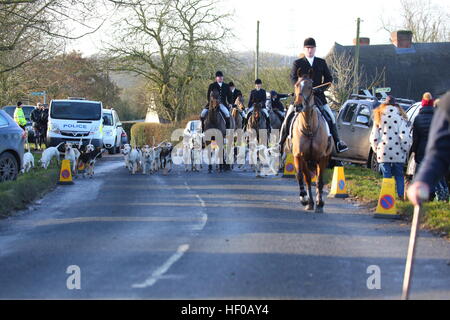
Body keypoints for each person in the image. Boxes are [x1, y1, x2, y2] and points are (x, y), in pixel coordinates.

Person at [279, 37, 348, 153]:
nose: (310, 50)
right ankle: (280, 144)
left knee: (331, 117)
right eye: (307, 48)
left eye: (311, 48)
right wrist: (300, 88)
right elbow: (293, 78)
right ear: (304, 49)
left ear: (315, 49)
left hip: (318, 96)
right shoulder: (298, 63)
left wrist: (320, 89)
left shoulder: (321, 62)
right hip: (301, 97)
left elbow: (329, 79)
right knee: (288, 117)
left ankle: (337, 142)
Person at [408, 91, 450, 205]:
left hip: (423, 150)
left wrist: (414, 152)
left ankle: (430, 195)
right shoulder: (440, 113)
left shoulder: (418, 118)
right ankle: (442, 193)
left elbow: (416, 139)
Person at [370, 96, 412, 199]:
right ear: (396, 105)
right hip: (398, 151)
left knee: (386, 175)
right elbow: (404, 136)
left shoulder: (379, 116)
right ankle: (401, 196)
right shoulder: (401, 117)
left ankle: (387, 196)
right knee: (399, 175)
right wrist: (406, 148)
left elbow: (374, 136)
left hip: (383, 150)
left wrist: (375, 148)